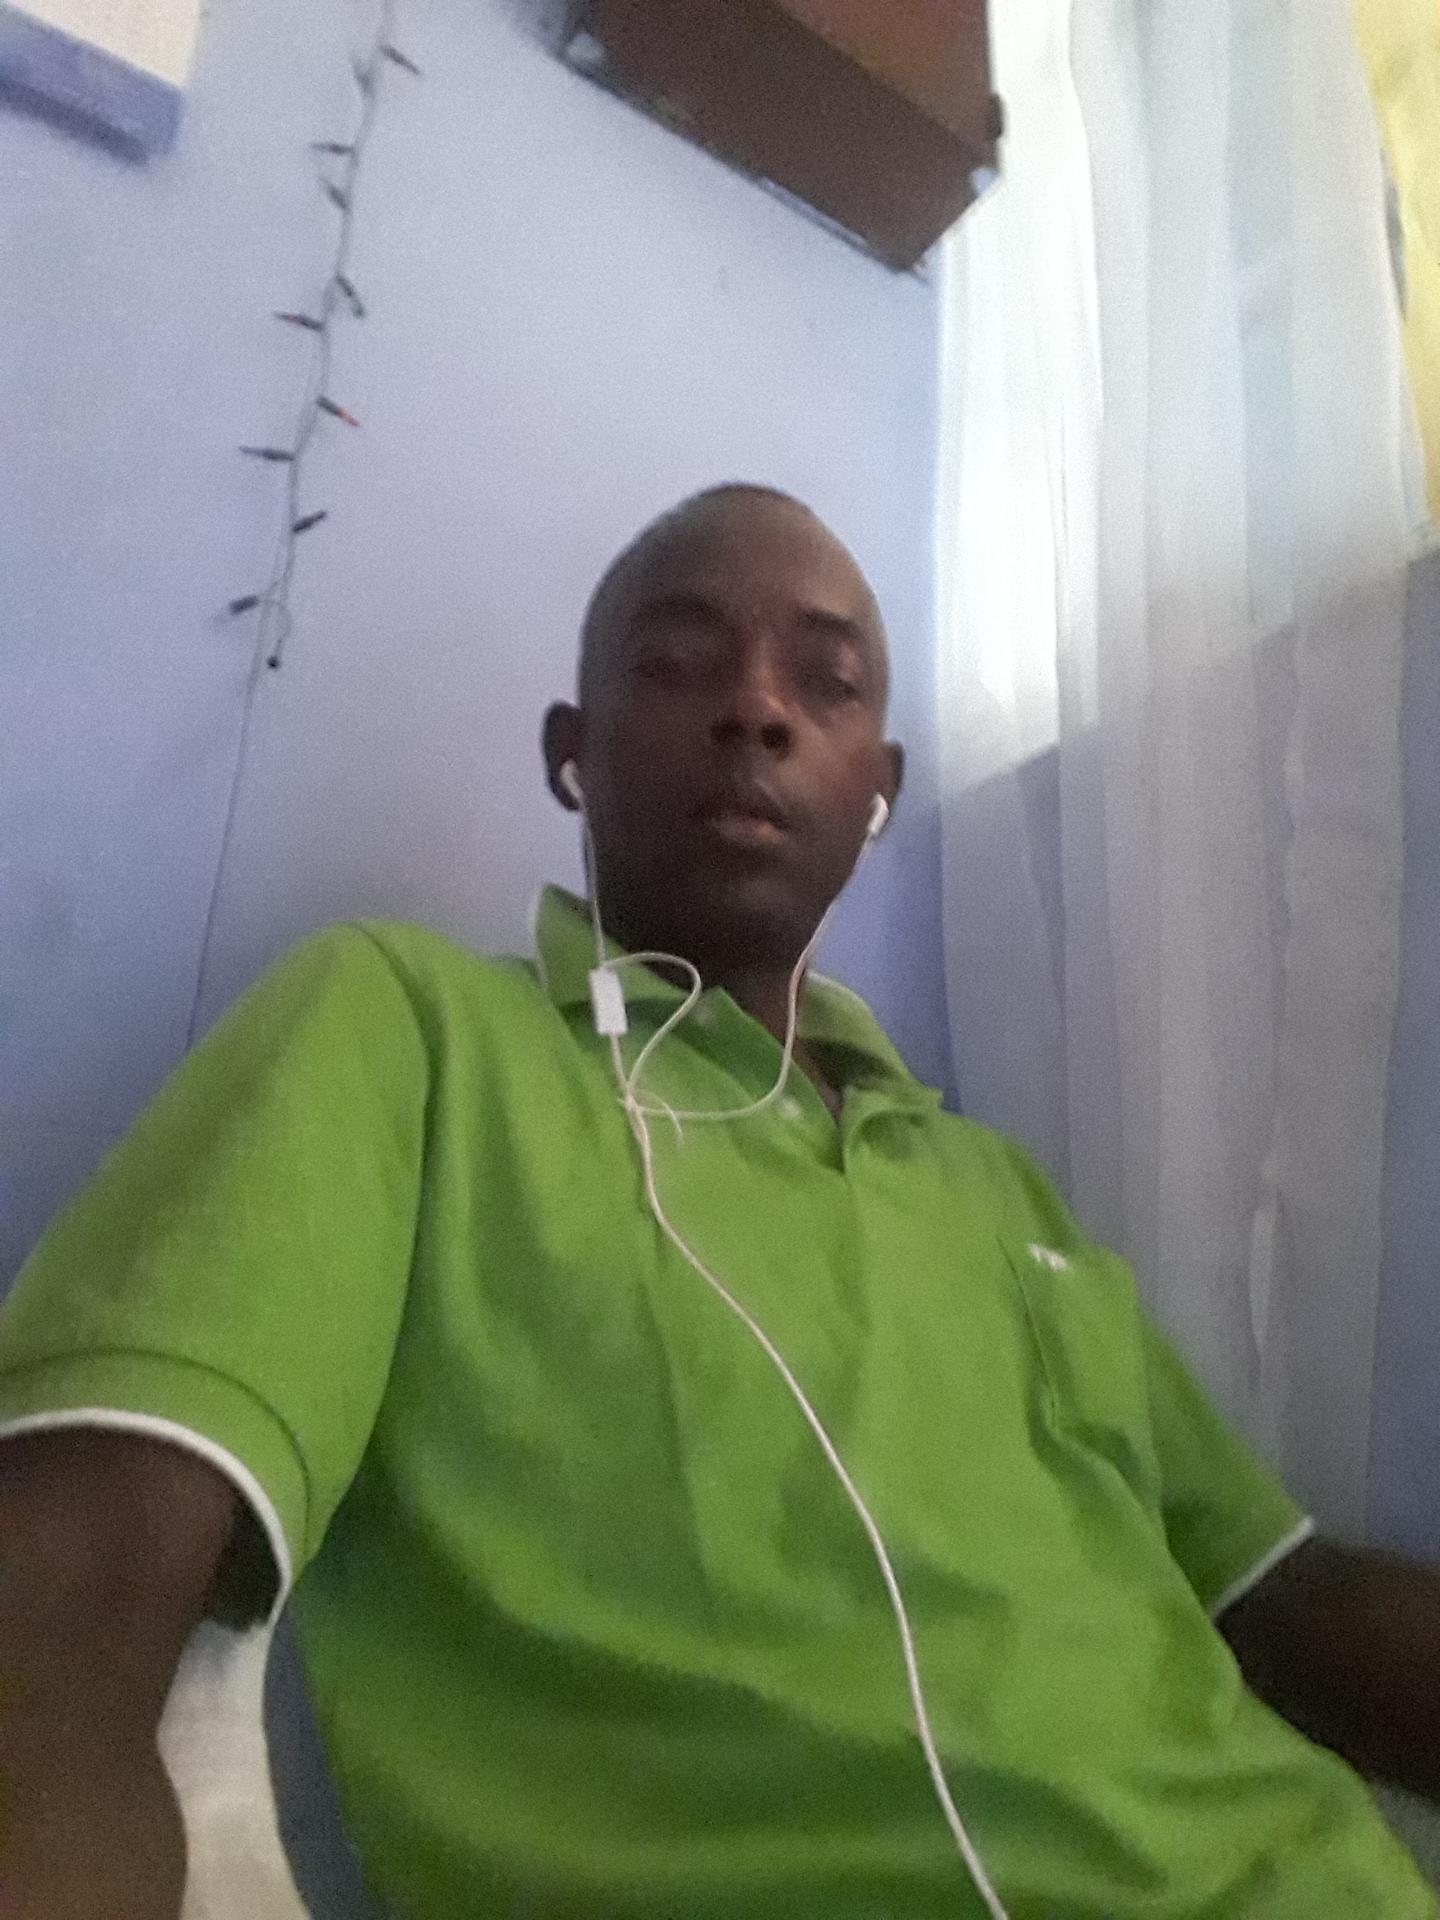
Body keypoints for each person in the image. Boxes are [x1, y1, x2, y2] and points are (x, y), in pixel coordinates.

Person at [1, 484, 1437, 1920]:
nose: (757, 709)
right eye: (679, 661)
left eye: (828, 682)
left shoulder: (991, 1187)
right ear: (572, 754)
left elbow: (1278, 1596)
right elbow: (55, 1622)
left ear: (879, 787)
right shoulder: (406, 1033)